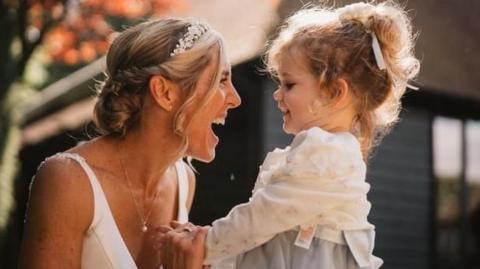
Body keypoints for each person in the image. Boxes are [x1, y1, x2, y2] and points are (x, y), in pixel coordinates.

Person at [160, 2, 420, 269]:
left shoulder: (326, 154)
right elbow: (261, 243)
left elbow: (262, 217)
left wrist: (207, 244)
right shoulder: (324, 152)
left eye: (290, 84)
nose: (277, 95)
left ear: (334, 92)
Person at [18, 17, 241, 269]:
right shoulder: (68, 181)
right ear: (165, 93)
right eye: (221, 80)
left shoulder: (183, 182)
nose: (235, 99)